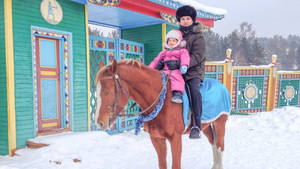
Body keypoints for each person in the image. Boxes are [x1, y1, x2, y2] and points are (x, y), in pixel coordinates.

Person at [166, 5, 206, 139]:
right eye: (182, 19)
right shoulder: (176, 36)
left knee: (194, 91)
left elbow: (198, 56)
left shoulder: (198, 37)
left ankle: (196, 125)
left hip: (193, 72)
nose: (185, 21)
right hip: (176, 72)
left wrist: (181, 63)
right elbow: (169, 51)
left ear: (193, 20)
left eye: (188, 18)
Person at [149, 30, 190, 103]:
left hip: (174, 70)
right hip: (164, 70)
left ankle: (177, 93)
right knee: (157, 77)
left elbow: (185, 58)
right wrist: (149, 68)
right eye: (169, 40)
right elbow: (156, 61)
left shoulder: (182, 51)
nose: (171, 42)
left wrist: (183, 65)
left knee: (176, 78)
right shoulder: (163, 52)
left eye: (174, 40)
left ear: (178, 42)